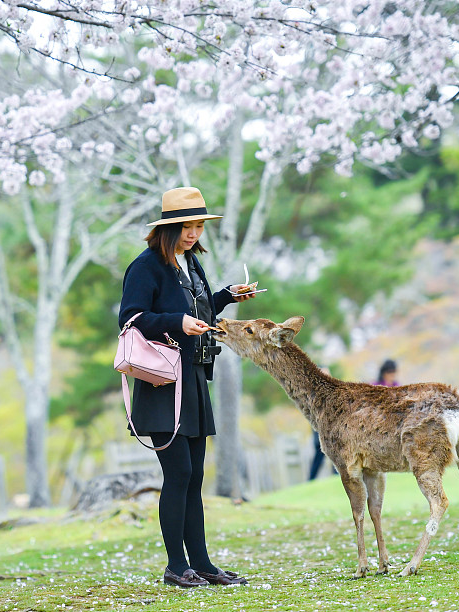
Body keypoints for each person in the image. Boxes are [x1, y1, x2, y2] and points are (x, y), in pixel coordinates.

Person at [119, 187, 256, 588]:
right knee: (178, 473)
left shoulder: (191, 262)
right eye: (186, 226)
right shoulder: (146, 266)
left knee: (194, 475)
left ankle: (203, 564)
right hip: (162, 382)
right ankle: (176, 567)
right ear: (168, 228)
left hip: (194, 378)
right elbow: (131, 319)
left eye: (198, 226)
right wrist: (175, 323)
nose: (194, 233)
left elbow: (198, 310)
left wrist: (227, 296)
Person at [308, 366, 334, 481]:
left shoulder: (333, 391)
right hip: (319, 431)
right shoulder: (313, 393)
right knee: (318, 457)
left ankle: (336, 476)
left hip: (331, 430)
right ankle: (311, 480)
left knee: (335, 455)